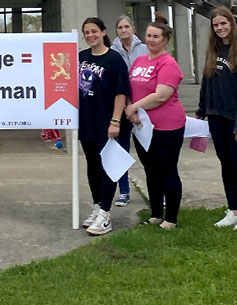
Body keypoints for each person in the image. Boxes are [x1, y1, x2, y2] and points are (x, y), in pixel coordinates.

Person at [196, 7, 237, 230]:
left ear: (232, 24)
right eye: (216, 25)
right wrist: (201, 110)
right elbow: (207, 84)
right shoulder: (213, 52)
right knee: (225, 163)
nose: (220, 28)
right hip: (215, 116)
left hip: (235, 119)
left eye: (224, 23)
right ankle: (233, 210)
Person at [124, 14, 185, 230]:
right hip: (142, 127)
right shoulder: (139, 61)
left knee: (167, 169)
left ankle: (171, 218)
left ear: (165, 40)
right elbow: (129, 88)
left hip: (167, 126)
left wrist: (134, 107)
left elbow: (161, 95)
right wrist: (131, 109)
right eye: (148, 35)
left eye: (156, 36)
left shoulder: (168, 64)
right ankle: (156, 214)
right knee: (151, 169)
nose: (151, 40)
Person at [77, 17, 131, 236]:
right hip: (87, 121)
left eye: (94, 31)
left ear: (103, 32)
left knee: (107, 167)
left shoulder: (114, 59)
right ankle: (97, 206)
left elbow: (121, 92)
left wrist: (115, 121)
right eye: (87, 32)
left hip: (108, 122)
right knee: (92, 165)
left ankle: (106, 214)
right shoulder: (81, 57)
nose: (90, 35)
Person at [110, 15, 149, 207]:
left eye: (127, 26)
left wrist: (137, 107)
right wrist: (127, 107)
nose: (124, 30)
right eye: (120, 27)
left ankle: (157, 192)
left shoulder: (144, 49)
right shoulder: (112, 52)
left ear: (133, 28)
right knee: (122, 151)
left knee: (148, 153)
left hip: (143, 109)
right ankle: (124, 191)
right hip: (123, 109)